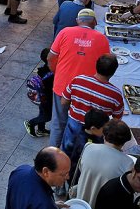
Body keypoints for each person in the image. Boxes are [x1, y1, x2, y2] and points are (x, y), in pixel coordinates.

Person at [48, 10, 111, 148]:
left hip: (62, 86)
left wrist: (56, 71)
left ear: (77, 20)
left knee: (58, 122)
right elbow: (106, 64)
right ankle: (74, 154)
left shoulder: (65, 32)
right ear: (94, 22)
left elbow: (51, 57)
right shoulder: (101, 39)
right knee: (81, 124)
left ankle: (51, 155)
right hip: (86, 91)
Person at [60, 54, 124, 172]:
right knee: (88, 161)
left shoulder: (78, 80)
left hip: (73, 125)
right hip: (96, 132)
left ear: (96, 66)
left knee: (66, 153)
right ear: (113, 72)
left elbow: (63, 101)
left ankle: (61, 180)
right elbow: (117, 119)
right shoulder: (115, 94)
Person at [75, 119, 134, 209]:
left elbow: (81, 170)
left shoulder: (88, 147)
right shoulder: (128, 163)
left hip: (80, 205)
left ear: (104, 135)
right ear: (125, 141)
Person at [25, 48, 55, 138]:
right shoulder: (50, 75)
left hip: (43, 98)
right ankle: (31, 123)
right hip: (47, 98)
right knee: (47, 116)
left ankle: (41, 129)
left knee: (43, 113)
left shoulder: (44, 69)